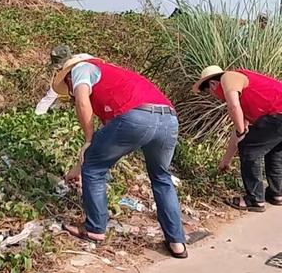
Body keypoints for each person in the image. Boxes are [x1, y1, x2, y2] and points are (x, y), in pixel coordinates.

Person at [52, 55, 187, 258]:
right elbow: (108, 142)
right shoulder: (118, 79)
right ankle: (177, 242)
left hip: (136, 117)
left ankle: (95, 229)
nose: (70, 93)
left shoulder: (81, 69)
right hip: (169, 119)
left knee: (94, 169)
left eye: (67, 87)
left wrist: (88, 142)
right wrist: (81, 164)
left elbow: (82, 102)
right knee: (161, 178)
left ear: (69, 79)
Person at [193, 66, 282, 211]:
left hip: (278, 113)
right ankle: (276, 194)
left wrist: (242, 133)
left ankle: (255, 199)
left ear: (212, 84)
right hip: (278, 116)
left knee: (249, 149)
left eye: (209, 92)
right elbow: (240, 128)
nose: (214, 96)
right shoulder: (244, 97)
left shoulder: (227, 77)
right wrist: (226, 160)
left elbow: (234, 107)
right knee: (274, 151)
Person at [35, 45, 92, 115]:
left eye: (61, 68)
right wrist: (37, 115)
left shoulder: (84, 65)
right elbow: (50, 96)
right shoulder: (64, 77)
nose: (60, 70)